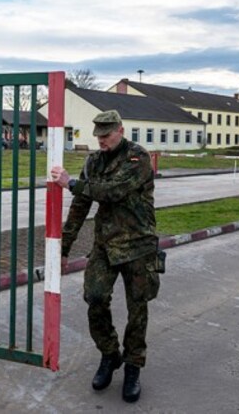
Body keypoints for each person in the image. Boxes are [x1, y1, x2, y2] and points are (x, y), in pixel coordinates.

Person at [50, 109, 159, 403]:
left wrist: (72, 183)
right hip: (106, 245)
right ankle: (110, 355)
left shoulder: (138, 157)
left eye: (106, 135)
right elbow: (81, 205)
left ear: (120, 131)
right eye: (98, 135)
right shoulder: (94, 161)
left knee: (138, 308)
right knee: (95, 297)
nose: (101, 141)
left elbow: (114, 191)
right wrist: (64, 248)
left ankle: (133, 365)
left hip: (138, 244)